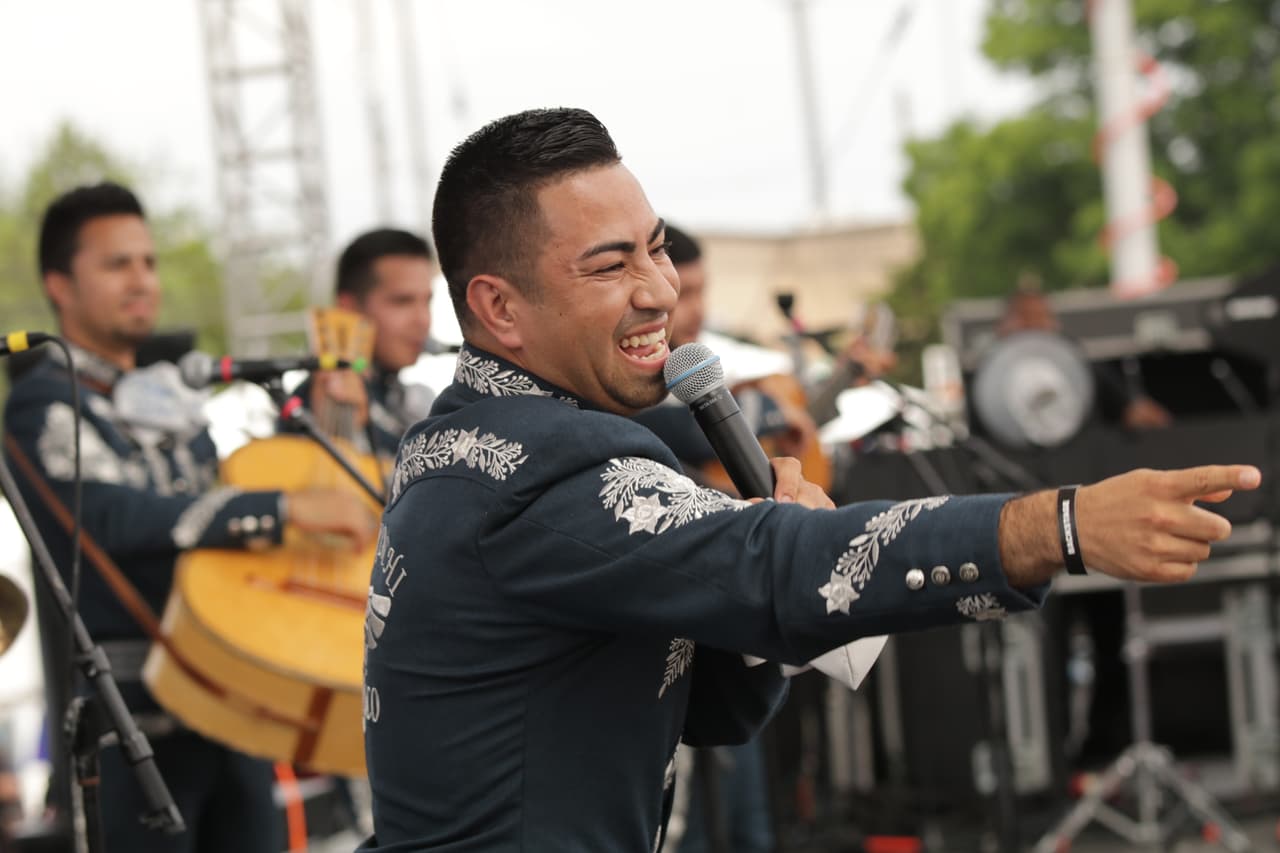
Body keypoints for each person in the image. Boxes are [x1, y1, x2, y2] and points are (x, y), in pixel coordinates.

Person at [359, 107, 1260, 852]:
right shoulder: (541, 466)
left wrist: (755, 590)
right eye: (611, 264)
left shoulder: (461, 446)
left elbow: (705, 702)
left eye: (656, 248)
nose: (659, 290)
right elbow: (781, 565)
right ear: (498, 307)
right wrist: (1056, 527)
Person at [3, 182, 378, 853]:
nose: (143, 280)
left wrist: (324, 423)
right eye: (117, 264)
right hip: (126, 731)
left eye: (147, 262)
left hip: (233, 705)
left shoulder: (171, 396)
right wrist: (280, 508)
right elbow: (112, 518)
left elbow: (223, 511)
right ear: (59, 283)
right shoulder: (42, 403)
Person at [633, 222, 777, 853]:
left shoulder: (701, 384)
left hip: (722, 655)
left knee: (746, 822)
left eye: (691, 287)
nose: (674, 303)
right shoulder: (632, 402)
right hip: (652, 697)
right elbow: (675, 436)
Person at [296, 228, 438, 459]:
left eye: (427, 301)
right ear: (349, 308)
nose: (423, 320)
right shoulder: (315, 400)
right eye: (402, 302)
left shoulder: (414, 398)